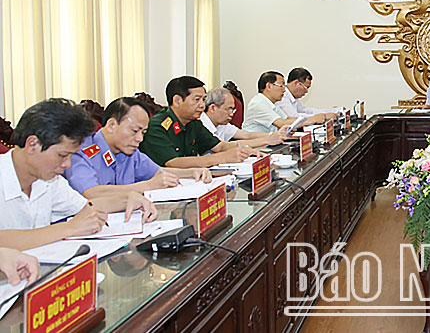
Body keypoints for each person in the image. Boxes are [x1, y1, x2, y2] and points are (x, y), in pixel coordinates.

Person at [0, 99, 157, 251]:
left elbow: (85, 206)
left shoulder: (50, 181)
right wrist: (69, 228)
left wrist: (127, 199)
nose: (67, 164)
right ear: (33, 144)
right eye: (62, 155)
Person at [65, 97, 212, 198]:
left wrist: (191, 172)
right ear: (111, 125)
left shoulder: (130, 152)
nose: (139, 139)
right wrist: (146, 186)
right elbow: (91, 193)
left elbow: (158, 172)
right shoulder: (80, 152)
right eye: (134, 131)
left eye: (143, 133)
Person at [141, 76, 262, 169]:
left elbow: (219, 146)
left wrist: (243, 150)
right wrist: (222, 158)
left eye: (204, 100)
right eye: (197, 99)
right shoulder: (157, 126)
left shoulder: (193, 123)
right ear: (177, 101)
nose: (202, 105)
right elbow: (172, 163)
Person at [243, 72, 330, 133]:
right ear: (269, 86)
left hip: (269, 143)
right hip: (255, 147)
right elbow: (282, 123)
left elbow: (287, 119)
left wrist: (310, 119)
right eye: (281, 86)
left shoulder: (273, 103)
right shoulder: (259, 103)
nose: (284, 90)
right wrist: (313, 119)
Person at [202, 88, 290, 146]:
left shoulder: (221, 123)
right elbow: (224, 146)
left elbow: (246, 135)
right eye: (228, 109)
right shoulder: (202, 125)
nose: (231, 114)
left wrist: (274, 135)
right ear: (213, 108)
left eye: (232, 110)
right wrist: (268, 140)